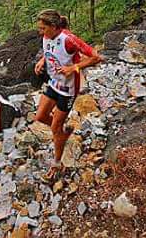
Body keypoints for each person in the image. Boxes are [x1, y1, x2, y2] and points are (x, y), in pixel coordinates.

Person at [33, 10, 102, 182]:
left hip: (68, 89)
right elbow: (50, 51)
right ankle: (62, 133)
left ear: (53, 26)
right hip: (54, 83)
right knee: (40, 116)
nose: (40, 32)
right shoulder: (47, 36)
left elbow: (95, 57)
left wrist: (73, 68)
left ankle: (57, 163)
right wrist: (42, 61)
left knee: (55, 128)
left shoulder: (68, 39)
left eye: (43, 28)